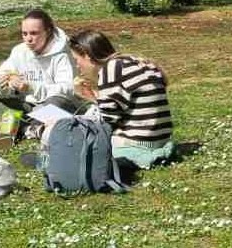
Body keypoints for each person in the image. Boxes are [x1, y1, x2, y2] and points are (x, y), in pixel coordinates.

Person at [69, 29, 174, 168]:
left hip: (136, 145)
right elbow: (123, 109)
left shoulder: (111, 69)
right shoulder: (134, 62)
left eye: (77, 60)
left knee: (73, 148)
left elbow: (107, 121)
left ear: (87, 55)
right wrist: (93, 98)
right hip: (160, 140)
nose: (77, 66)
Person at [0, 10, 84, 119]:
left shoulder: (63, 54)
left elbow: (68, 90)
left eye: (34, 33)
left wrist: (31, 88)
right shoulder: (19, 51)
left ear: (48, 32)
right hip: (27, 104)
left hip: (53, 104)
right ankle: (23, 123)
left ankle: (30, 123)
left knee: (56, 101)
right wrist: (4, 84)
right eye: (24, 34)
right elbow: (3, 76)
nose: (28, 39)